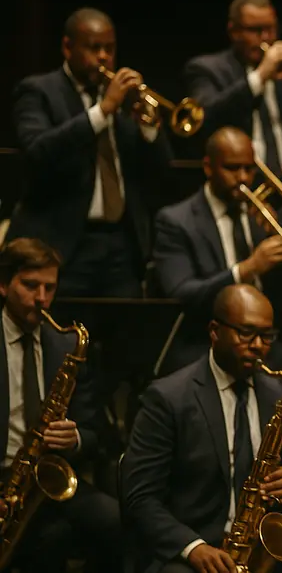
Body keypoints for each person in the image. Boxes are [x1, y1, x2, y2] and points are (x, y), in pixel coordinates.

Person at [121, 284, 282, 573]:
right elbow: (140, 498)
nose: (258, 346)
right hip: (195, 551)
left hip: (265, 547)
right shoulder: (168, 399)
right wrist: (193, 547)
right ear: (215, 331)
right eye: (246, 333)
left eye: (267, 336)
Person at [9, 7, 174, 297]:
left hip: (122, 245)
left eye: (109, 49)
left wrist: (150, 127)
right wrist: (102, 111)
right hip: (63, 245)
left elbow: (162, 171)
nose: (103, 57)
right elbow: (37, 151)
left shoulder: (124, 99)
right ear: (67, 47)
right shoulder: (38, 91)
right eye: (93, 48)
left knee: (124, 336)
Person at [152, 126, 282, 375]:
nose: (242, 178)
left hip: (262, 341)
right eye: (232, 168)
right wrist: (247, 269)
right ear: (208, 167)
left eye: (249, 169)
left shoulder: (261, 217)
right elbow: (182, 295)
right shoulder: (176, 221)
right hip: (208, 343)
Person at [0, 238, 121, 572]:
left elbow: (95, 430)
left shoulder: (67, 344)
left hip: (45, 479)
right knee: (49, 540)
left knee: (115, 522)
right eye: (30, 286)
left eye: (49, 288)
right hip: (3, 479)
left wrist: (75, 437)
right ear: (3, 284)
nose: (41, 299)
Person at [182, 0, 282, 173]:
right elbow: (206, 120)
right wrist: (260, 76)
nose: (265, 37)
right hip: (241, 183)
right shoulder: (206, 69)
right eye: (255, 30)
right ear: (234, 31)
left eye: (271, 29)